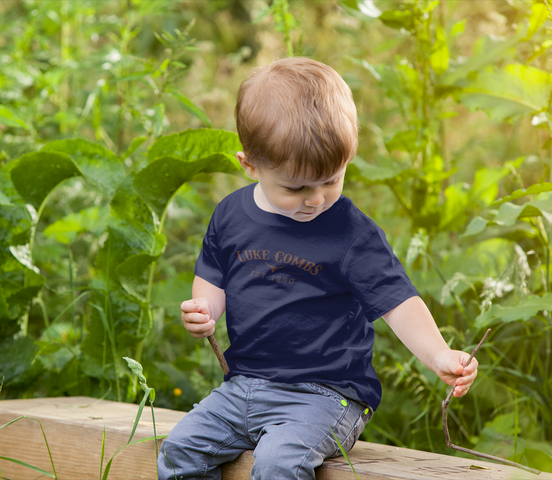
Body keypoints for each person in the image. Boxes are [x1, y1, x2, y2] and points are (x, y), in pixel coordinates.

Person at [156, 57, 478, 480]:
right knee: (180, 451)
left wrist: (438, 353)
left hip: (328, 395)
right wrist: (204, 309)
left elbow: (397, 302)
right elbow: (213, 275)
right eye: (296, 187)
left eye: (332, 179)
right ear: (250, 165)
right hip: (244, 385)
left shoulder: (350, 233)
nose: (316, 199)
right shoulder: (231, 215)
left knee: (278, 463)